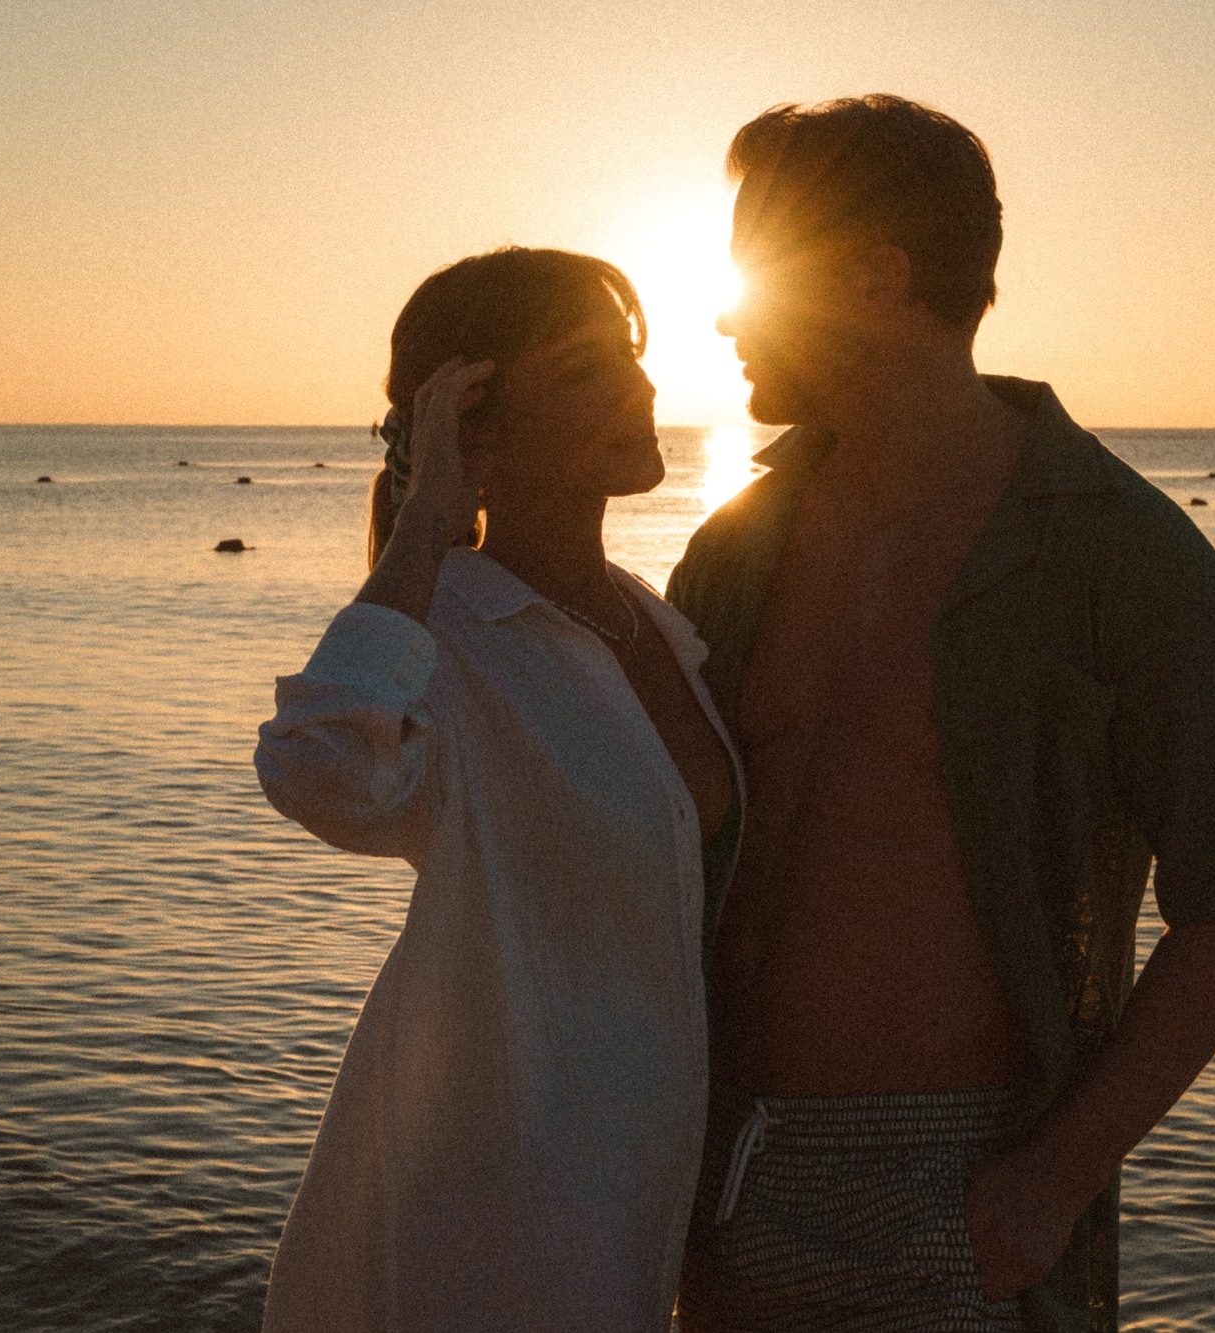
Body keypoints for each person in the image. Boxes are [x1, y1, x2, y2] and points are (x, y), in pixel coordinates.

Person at [666, 96, 1215, 1333]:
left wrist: (1043, 1184)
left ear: (872, 277)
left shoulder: (1119, 554)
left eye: (755, 272)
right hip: (711, 1160)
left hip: (950, 1186)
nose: (723, 313)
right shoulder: (737, 544)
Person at [254, 247, 739, 1332]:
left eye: (630, 358)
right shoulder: (451, 637)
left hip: (645, 1194)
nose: (638, 389)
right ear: (477, 427)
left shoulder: (654, 627)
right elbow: (321, 769)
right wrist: (429, 518)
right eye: (585, 373)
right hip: (492, 1221)